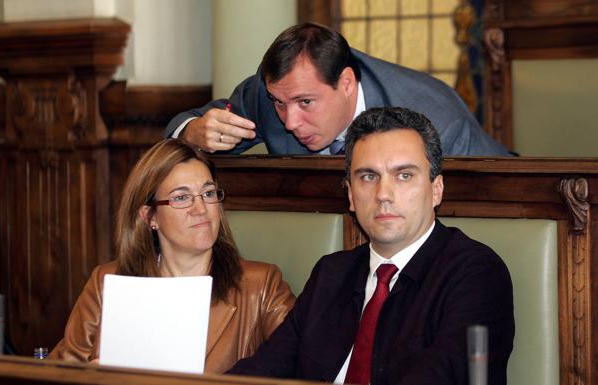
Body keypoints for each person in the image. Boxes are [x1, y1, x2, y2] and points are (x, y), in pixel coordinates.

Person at [227, 107, 514, 384]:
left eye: (404, 175)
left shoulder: (475, 273)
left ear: (436, 190)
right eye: (368, 177)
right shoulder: (332, 273)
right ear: (351, 195)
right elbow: (264, 369)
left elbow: (444, 375)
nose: (383, 194)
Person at [49, 139, 295, 373]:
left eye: (208, 194)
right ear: (150, 216)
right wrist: (86, 378)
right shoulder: (107, 282)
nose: (200, 209)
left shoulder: (261, 286)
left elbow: (303, 367)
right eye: (181, 198)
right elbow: (54, 374)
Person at [166, 23, 511, 157]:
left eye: (305, 102)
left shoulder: (434, 118)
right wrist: (193, 132)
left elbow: (500, 197)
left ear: (346, 82)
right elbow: (190, 123)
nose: (289, 121)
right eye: (279, 104)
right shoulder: (269, 94)